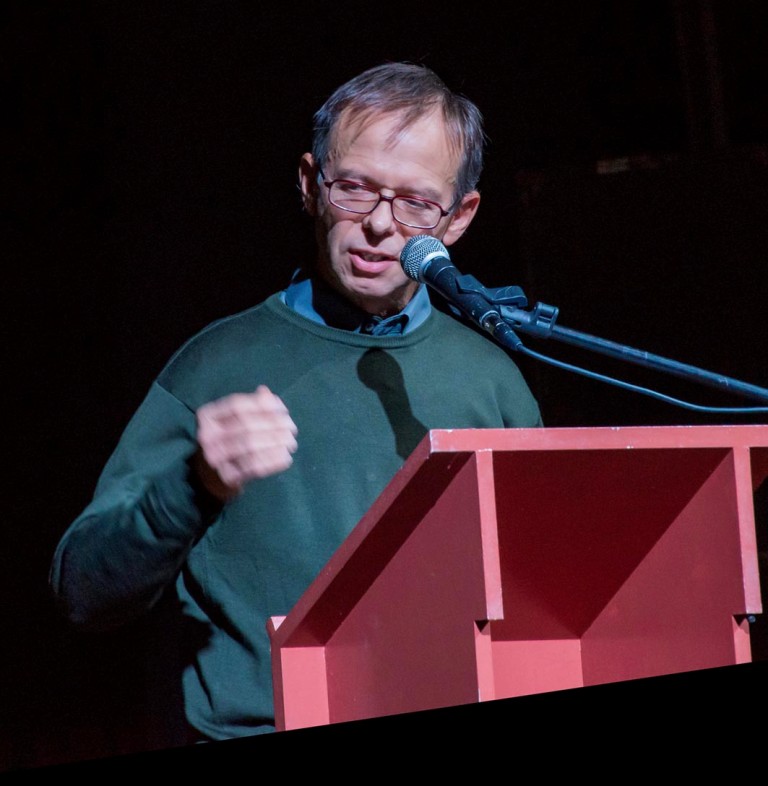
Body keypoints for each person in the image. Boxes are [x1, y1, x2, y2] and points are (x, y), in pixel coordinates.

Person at [49, 61, 542, 743]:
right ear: (310, 185)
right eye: (354, 188)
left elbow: (539, 606)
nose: (380, 224)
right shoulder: (216, 368)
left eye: (415, 202)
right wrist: (193, 486)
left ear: (458, 218)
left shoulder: (492, 383)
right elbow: (83, 591)